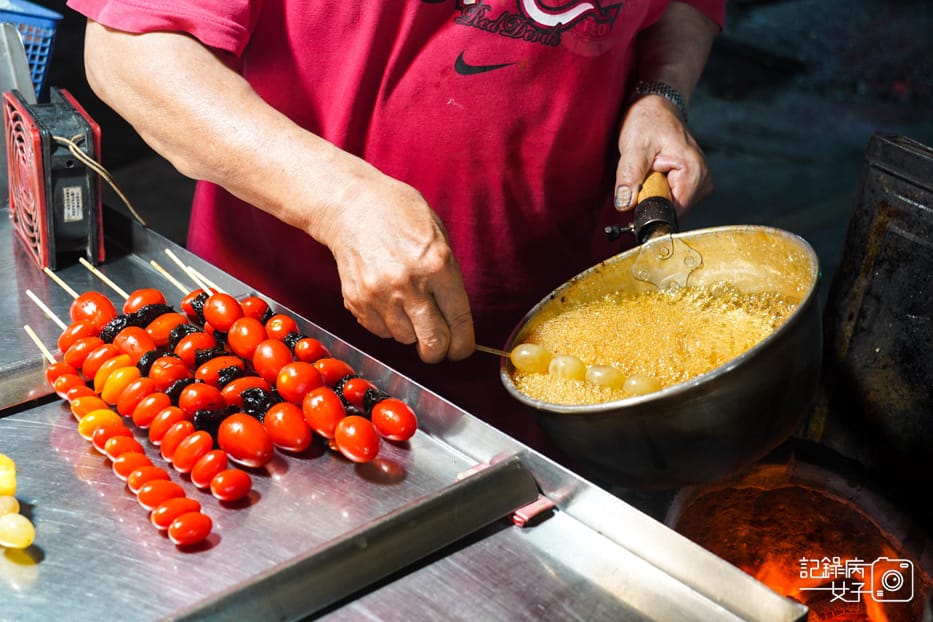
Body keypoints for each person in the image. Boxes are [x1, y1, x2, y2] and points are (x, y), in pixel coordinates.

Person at [66, 0, 724, 459]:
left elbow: (682, 4)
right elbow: (132, 50)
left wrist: (658, 92)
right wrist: (339, 200)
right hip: (288, 367)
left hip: (561, 359)